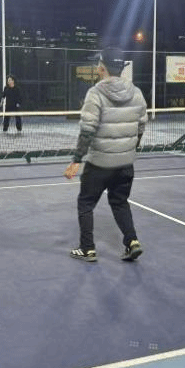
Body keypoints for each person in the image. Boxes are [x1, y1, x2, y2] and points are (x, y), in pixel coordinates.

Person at [63, 47, 147, 263]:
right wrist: (129, 149)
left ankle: (87, 249)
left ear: (101, 68)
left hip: (99, 164)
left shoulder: (95, 93)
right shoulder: (137, 93)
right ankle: (132, 242)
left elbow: (87, 130)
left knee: (86, 203)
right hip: (125, 164)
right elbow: (141, 127)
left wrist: (76, 160)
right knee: (120, 202)